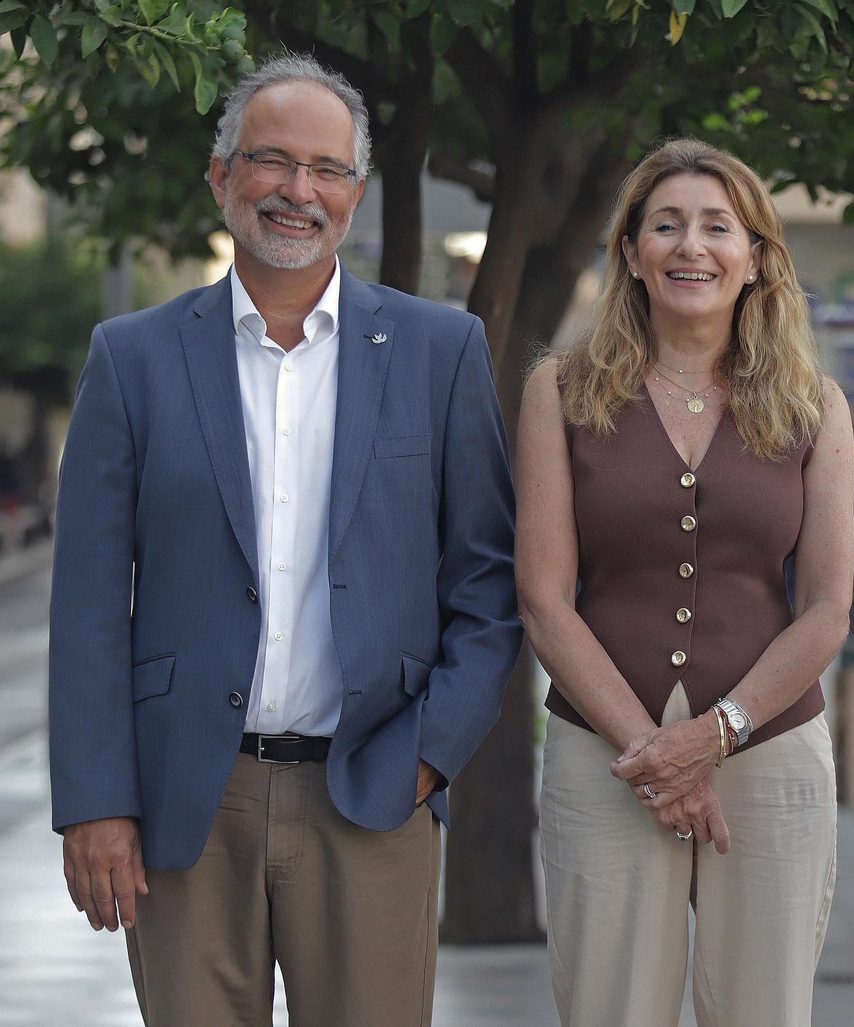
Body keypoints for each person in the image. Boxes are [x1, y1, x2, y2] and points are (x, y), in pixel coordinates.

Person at [48, 54, 520, 1026]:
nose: (297, 190)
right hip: (186, 800)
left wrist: (428, 757)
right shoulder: (131, 358)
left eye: (326, 169)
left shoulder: (440, 352)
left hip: (372, 790)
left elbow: (488, 582)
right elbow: (88, 602)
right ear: (220, 177)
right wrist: (95, 800)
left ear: (355, 192)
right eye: (270, 160)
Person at [516, 137, 854, 1027]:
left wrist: (719, 733)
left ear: (755, 260)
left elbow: (828, 609)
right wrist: (653, 755)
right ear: (631, 253)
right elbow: (544, 598)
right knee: (609, 1008)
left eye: (717, 227)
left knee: (763, 1010)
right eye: (665, 225)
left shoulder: (814, 405)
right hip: (604, 752)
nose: (690, 246)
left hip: (771, 750)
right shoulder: (560, 392)